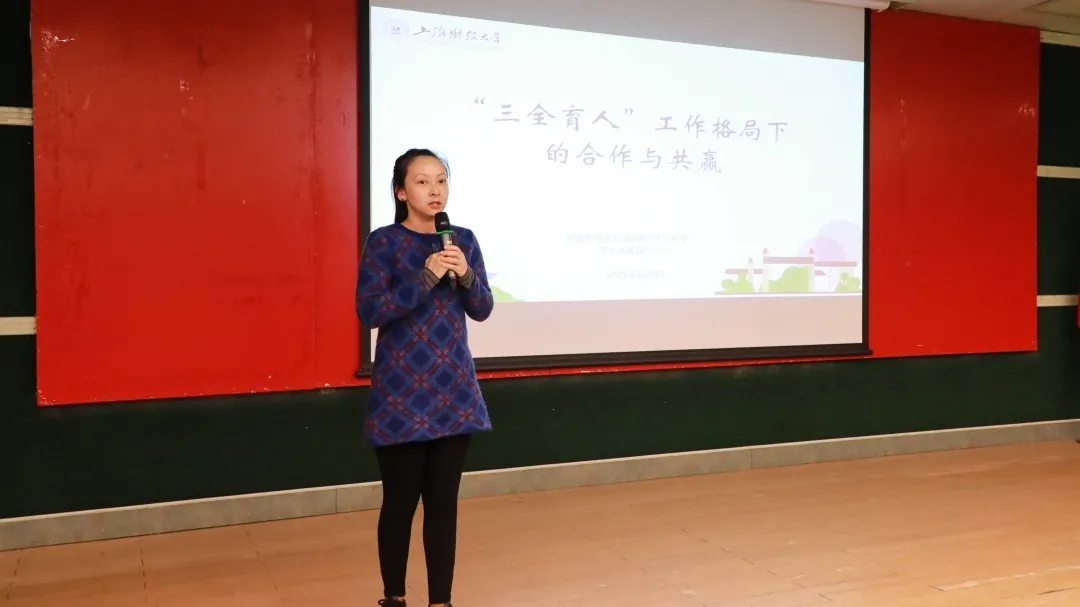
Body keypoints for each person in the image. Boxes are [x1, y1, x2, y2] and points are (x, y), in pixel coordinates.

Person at [355, 148, 494, 607]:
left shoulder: (462, 240)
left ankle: (441, 602)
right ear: (401, 191)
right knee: (400, 503)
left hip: (454, 392)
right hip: (400, 397)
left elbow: (482, 308)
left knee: (443, 506)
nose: (435, 190)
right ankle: (394, 597)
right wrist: (425, 276)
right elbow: (370, 311)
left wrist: (465, 274)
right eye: (422, 181)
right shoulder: (384, 242)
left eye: (441, 180)